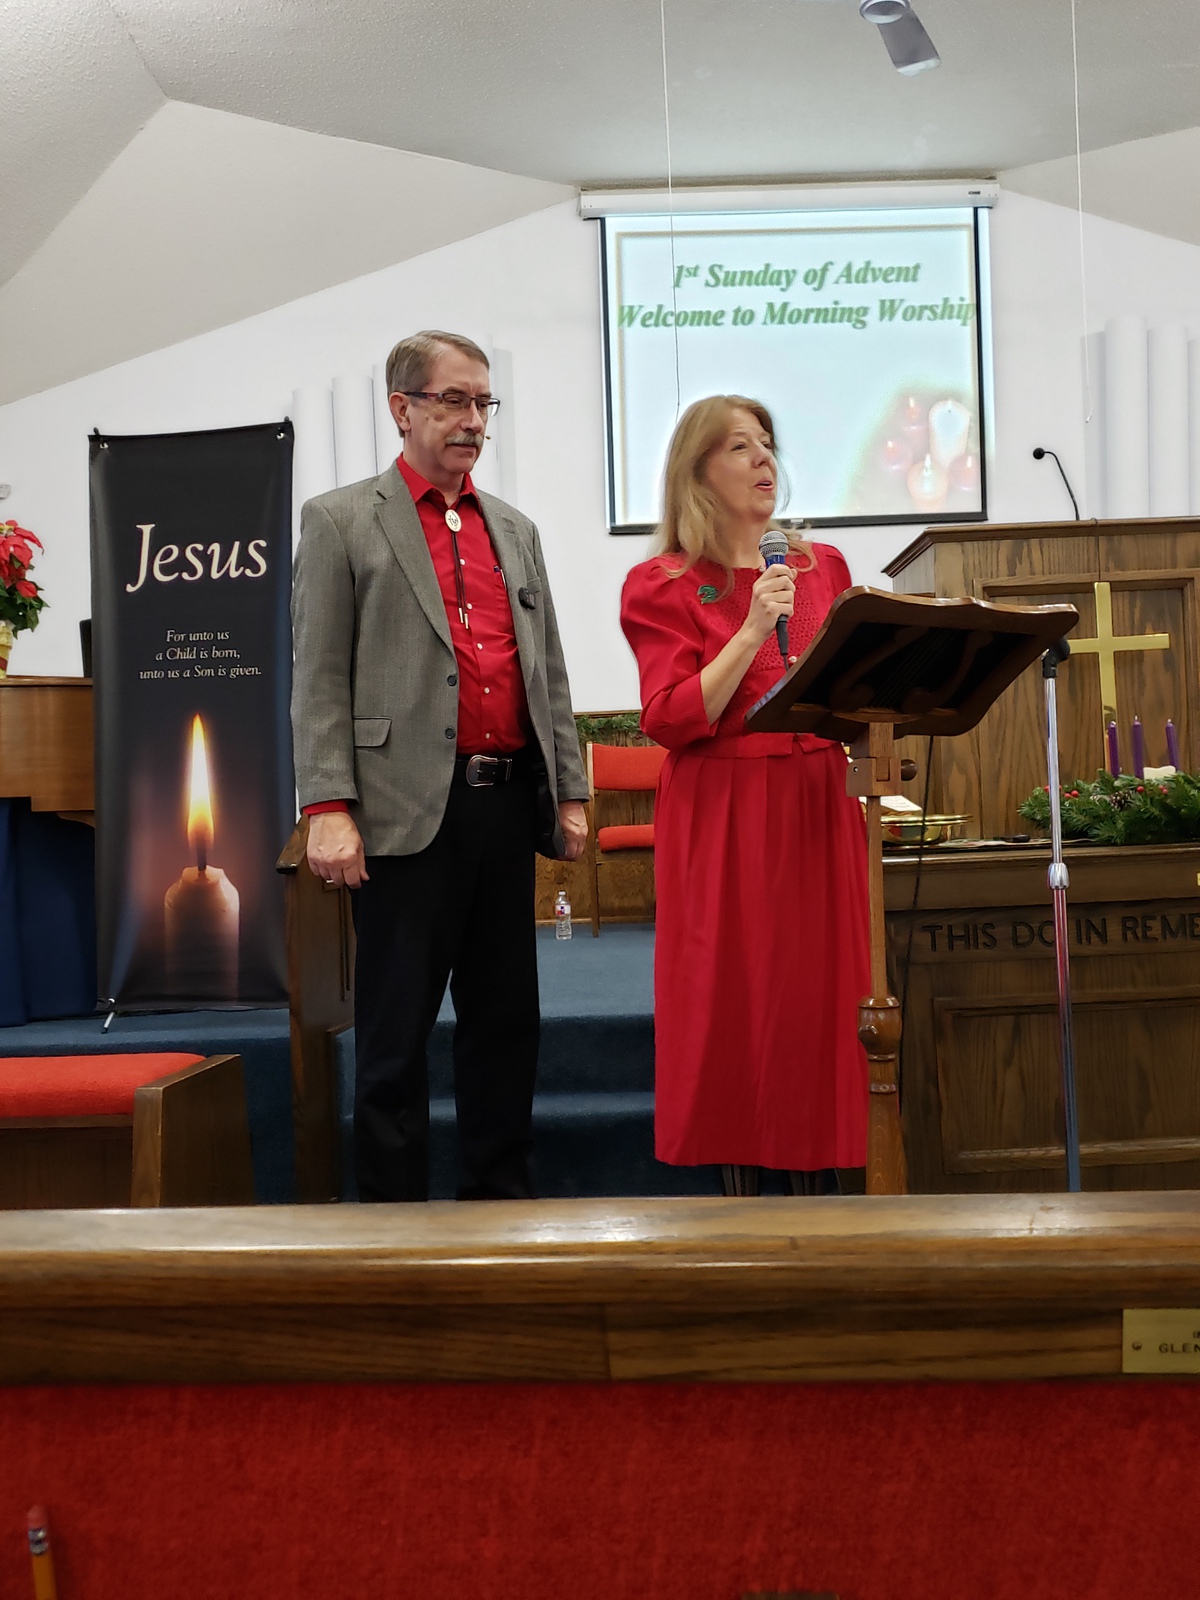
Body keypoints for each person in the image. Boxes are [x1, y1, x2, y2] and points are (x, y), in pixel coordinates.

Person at [291, 329, 588, 1202]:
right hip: (400, 814)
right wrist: (328, 805)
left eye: (482, 403)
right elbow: (319, 677)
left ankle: (499, 1206)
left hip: (505, 811)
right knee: (393, 1039)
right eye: (453, 401)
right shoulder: (342, 519)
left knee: (507, 1027)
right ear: (403, 408)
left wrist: (569, 792)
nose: (471, 421)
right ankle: (392, 1224)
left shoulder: (516, 529)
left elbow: (550, 671)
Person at [619, 395, 870, 1196]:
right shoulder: (661, 583)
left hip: (816, 800)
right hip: (724, 809)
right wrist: (753, 629)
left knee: (818, 1000)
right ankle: (742, 1204)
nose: (765, 460)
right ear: (698, 473)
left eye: (768, 443)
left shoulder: (822, 567)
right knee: (734, 998)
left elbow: (848, 688)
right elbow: (669, 717)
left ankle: (826, 1184)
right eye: (740, 447)